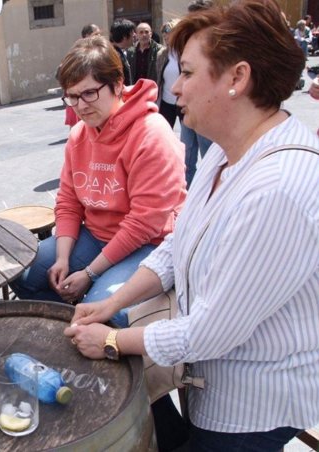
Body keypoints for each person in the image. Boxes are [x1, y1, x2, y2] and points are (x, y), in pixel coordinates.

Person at [64, 2, 319, 450]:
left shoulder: (278, 189)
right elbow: (177, 244)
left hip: (251, 407)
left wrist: (112, 340)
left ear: (237, 78)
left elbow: (210, 331)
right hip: (209, 386)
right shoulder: (226, 151)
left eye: (187, 72)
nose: (175, 89)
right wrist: (112, 304)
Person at [10, 35, 186, 327]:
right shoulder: (79, 134)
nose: (80, 106)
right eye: (72, 96)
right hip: (94, 234)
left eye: (89, 93)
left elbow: (144, 223)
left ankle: (89, 327)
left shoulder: (151, 134)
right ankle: (70, 327)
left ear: (117, 84)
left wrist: (89, 274)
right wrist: (63, 260)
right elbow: (67, 202)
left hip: (149, 243)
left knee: (98, 313)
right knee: (22, 274)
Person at [180, 0, 214, 188]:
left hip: (207, 108)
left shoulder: (216, 45)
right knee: (187, 155)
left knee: (209, 157)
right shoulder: (188, 42)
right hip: (188, 108)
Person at [156, 19, 181, 128]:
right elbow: (158, 78)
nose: (165, 37)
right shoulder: (161, 54)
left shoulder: (185, 53)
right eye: (164, 34)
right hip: (166, 102)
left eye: (168, 33)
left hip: (183, 102)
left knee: (188, 141)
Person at [109, 18, 136, 85]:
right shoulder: (113, 56)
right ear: (124, 37)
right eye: (132, 33)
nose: (135, 35)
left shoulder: (120, 52)